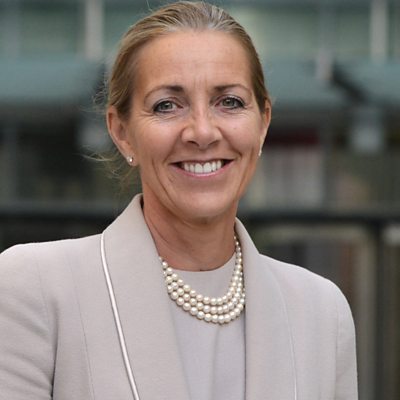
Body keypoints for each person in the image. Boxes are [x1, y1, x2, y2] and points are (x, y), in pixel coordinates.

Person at [0, 2, 357, 399]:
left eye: (230, 102)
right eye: (167, 105)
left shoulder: (322, 313)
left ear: (263, 123)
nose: (202, 132)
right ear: (122, 133)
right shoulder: (35, 287)